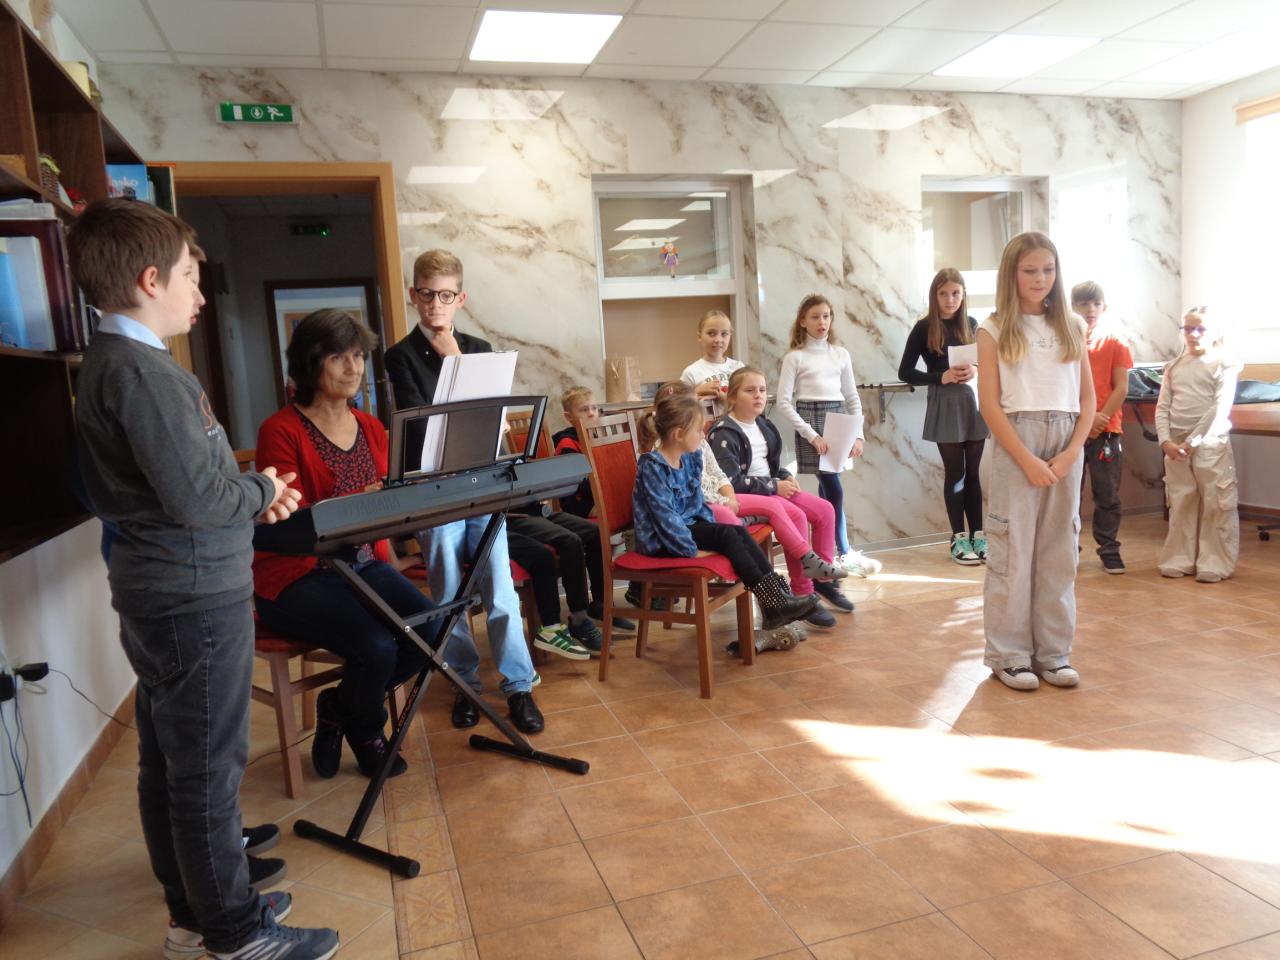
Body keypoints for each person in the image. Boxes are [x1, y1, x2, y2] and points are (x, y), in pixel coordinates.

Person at [67, 199, 337, 960]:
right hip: (191, 596)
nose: (199, 292)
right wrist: (262, 489)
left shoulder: (122, 362)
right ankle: (234, 934)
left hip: (166, 589)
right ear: (150, 281)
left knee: (173, 762)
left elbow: (189, 487)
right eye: (190, 275)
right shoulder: (143, 373)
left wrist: (248, 494)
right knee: (206, 774)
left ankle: (197, 912)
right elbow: (198, 499)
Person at [254, 309, 434, 781]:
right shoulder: (280, 429)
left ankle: (337, 706)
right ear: (310, 363)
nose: (353, 367)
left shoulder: (372, 427)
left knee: (431, 630)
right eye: (338, 357)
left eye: (358, 355)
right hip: (295, 574)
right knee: (377, 646)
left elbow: (387, 504)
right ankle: (369, 732)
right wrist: (362, 502)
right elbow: (293, 521)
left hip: (359, 565)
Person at [383, 249, 544, 734]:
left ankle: (519, 686)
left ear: (461, 298)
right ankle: (464, 683)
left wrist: (455, 355)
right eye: (427, 294)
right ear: (414, 295)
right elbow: (425, 423)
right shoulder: (399, 355)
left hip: (485, 479)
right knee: (448, 591)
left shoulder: (478, 347)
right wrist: (463, 387)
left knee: (500, 588)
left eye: (446, 295)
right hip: (436, 487)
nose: (436, 304)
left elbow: (490, 413)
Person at [976, 231, 1094, 692]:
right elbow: (990, 405)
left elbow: (1087, 399)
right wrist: (1026, 459)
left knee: (1059, 551)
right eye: (1030, 271)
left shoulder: (1072, 325)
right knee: (1013, 552)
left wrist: (1072, 452)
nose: (1040, 278)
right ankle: (1009, 655)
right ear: (1012, 274)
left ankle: (1054, 653)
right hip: (1015, 441)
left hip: (1066, 439)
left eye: (1048, 269)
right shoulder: (992, 329)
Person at [634, 390, 820, 631]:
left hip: (685, 526)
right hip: (661, 540)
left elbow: (696, 504)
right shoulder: (653, 467)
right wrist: (691, 551)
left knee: (735, 532)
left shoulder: (689, 458)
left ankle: (777, 599)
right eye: (698, 430)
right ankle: (775, 603)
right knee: (726, 535)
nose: (703, 435)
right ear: (679, 434)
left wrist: (712, 529)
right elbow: (665, 519)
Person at [708, 367, 850, 628]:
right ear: (733, 397)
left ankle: (823, 579)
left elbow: (771, 464)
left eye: (762, 390)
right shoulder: (723, 432)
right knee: (796, 515)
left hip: (771, 488)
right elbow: (729, 481)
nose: (758, 396)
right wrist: (774, 486)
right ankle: (803, 592)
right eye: (750, 391)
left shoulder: (763, 424)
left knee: (825, 510)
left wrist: (785, 476)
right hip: (745, 495)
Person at [776, 294, 883, 578]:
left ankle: (829, 554)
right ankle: (844, 552)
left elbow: (852, 397)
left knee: (828, 489)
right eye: (815, 317)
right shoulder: (794, 357)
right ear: (803, 321)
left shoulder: (840, 354)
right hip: (811, 422)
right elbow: (783, 403)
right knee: (833, 488)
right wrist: (812, 436)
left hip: (838, 420)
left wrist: (858, 435)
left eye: (826, 316)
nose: (822, 322)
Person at [898, 268, 990, 565]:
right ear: (934, 296)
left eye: (955, 293)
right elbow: (905, 372)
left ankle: (978, 535)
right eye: (944, 294)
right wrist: (940, 377)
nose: (950, 299)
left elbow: (986, 361)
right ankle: (958, 538)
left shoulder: (971, 323)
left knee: (974, 473)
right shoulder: (924, 327)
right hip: (944, 402)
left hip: (971, 401)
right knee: (956, 473)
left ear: (963, 295)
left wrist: (976, 369)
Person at [1155, 305, 1241, 583]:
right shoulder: (1174, 367)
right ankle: (1179, 557)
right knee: (1181, 500)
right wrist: (1166, 440)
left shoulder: (1224, 364)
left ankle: (1215, 560)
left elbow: (1218, 407)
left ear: (1214, 332)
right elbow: (1163, 407)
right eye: (1188, 329)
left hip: (1210, 443)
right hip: (1176, 445)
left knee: (1216, 501)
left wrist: (1193, 441)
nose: (1193, 334)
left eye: (1200, 329)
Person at [1073, 281, 1134, 574]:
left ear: (1104, 307)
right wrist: (1085, 419)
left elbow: (1121, 387)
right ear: (1072, 307)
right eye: (1083, 304)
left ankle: (1109, 549)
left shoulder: (1114, 341)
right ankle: (1068, 549)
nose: (1090, 310)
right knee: (1068, 494)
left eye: (1096, 304)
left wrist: (1101, 417)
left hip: (1106, 430)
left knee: (1107, 493)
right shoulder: (1065, 341)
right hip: (1072, 428)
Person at [552, 385, 598, 518]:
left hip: (595, 496)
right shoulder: (567, 443)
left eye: (594, 408)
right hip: (578, 504)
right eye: (584, 409)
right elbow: (580, 484)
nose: (591, 413)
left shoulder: (595, 436)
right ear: (569, 416)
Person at [680, 309, 744, 402]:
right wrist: (696, 391)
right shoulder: (691, 373)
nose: (718, 339)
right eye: (711, 333)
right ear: (699, 336)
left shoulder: (739, 368)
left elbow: (748, 402)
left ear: (730, 336)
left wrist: (724, 398)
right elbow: (678, 405)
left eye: (724, 334)